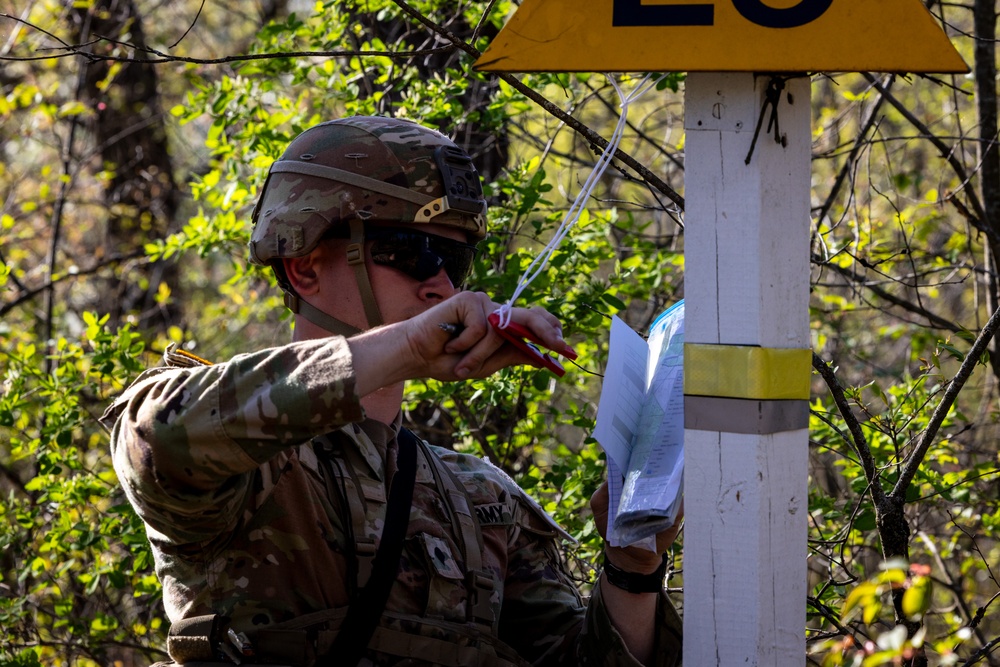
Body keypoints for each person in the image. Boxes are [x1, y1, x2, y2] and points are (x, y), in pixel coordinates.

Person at [102, 116, 683, 667]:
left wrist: (631, 567)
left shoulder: (480, 499)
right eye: (410, 253)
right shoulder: (249, 463)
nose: (441, 285)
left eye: (454, 260)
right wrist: (406, 345)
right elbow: (159, 439)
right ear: (306, 267)